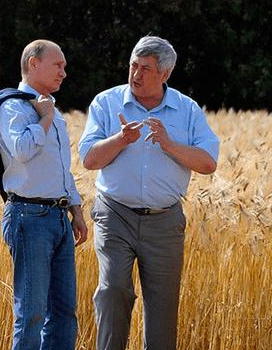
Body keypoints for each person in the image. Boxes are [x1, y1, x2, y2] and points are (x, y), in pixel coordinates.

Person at [78, 36, 220, 350]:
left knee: (163, 304)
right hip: (114, 215)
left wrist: (169, 145)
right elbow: (89, 159)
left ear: (165, 75)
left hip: (165, 221)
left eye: (146, 68)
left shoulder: (187, 110)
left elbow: (208, 163)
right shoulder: (106, 103)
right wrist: (119, 140)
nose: (136, 74)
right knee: (113, 289)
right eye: (133, 65)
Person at [0, 39, 88, 350]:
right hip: (29, 217)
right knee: (32, 314)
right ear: (33, 64)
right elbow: (21, 150)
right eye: (57, 65)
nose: (64, 72)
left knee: (65, 313)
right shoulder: (13, 107)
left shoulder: (52, 109)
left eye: (64, 66)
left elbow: (61, 168)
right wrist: (45, 119)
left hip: (59, 218)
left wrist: (76, 209)